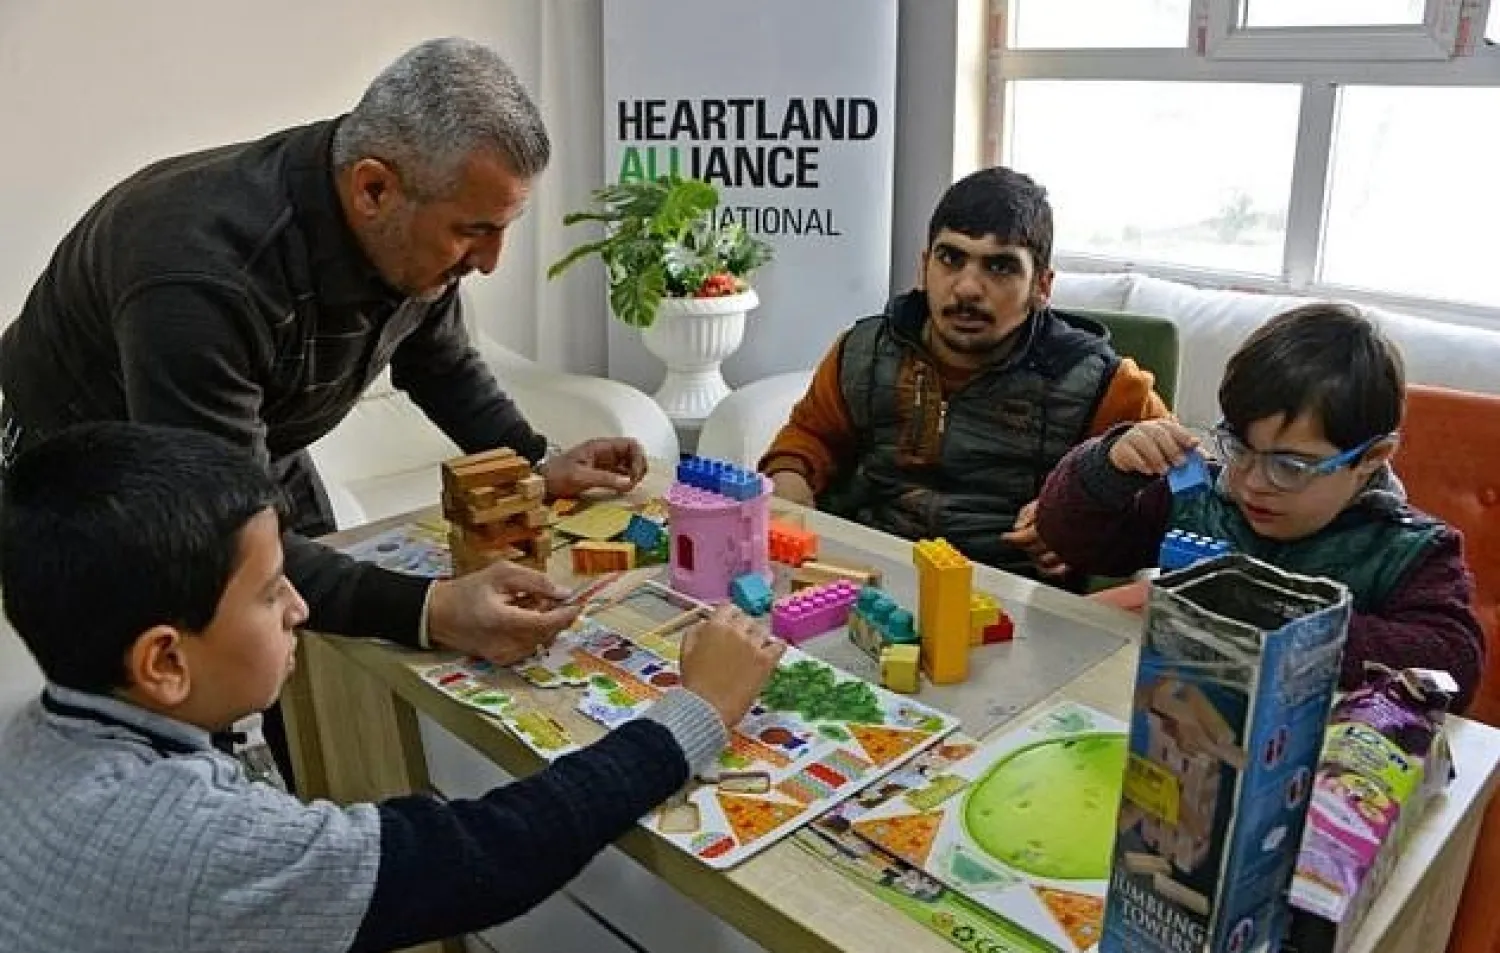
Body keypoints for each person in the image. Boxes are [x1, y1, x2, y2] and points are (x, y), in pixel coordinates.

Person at [0, 38, 644, 770]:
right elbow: (216, 530)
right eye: (474, 231)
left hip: (245, 440)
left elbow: (438, 361)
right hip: (84, 468)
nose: (490, 260)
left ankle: (314, 789)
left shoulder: (413, 215)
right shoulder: (201, 272)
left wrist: (533, 463)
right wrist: (433, 608)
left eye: (503, 228)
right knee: (174, 689)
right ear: (373, 189)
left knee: (316, 639)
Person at [0, 421, 783, 953]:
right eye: (272, 591)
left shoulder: (32, 740)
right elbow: (484, 857)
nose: (301, 608)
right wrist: (700, 710)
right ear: (164, 662)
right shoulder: (196, 846)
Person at [1034, 303, 1485, 710]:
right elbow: (1071, 537)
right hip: (1183, 726)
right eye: (1240, 447)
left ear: (1371, 458)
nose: (1251, 482)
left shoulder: (1408, 549)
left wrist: (1270, 620)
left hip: (1319, 767)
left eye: (1290, 466)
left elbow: (1453, 666)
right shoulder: (1202, 497)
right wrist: (1106, 466)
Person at [757, 166, 1169, 581]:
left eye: (1000, 267)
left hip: (1008, 594)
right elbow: (808, 439)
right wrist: (790, 488)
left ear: (1042, 286)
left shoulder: (1102, 383)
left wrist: (1075, 518)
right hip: (863, 569)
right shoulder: (862, 350)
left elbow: (1179, 500)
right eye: (951, 259)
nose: (968, 288)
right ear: (924, 267)